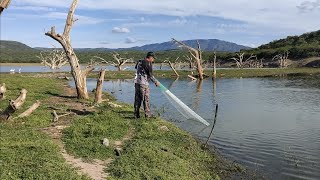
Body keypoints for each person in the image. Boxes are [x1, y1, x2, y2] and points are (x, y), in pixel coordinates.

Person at [134, 51, 160, 118]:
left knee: (138, 99)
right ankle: (148, 115)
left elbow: (136, 69)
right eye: (153, 58)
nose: (153, 60)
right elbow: (150, 75)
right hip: (143, 84)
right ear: (150, 57)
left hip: (137, 82)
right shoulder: (146, 63)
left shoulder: (140, 61)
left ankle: (136, 114)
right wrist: (156, 82)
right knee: (146, 99)